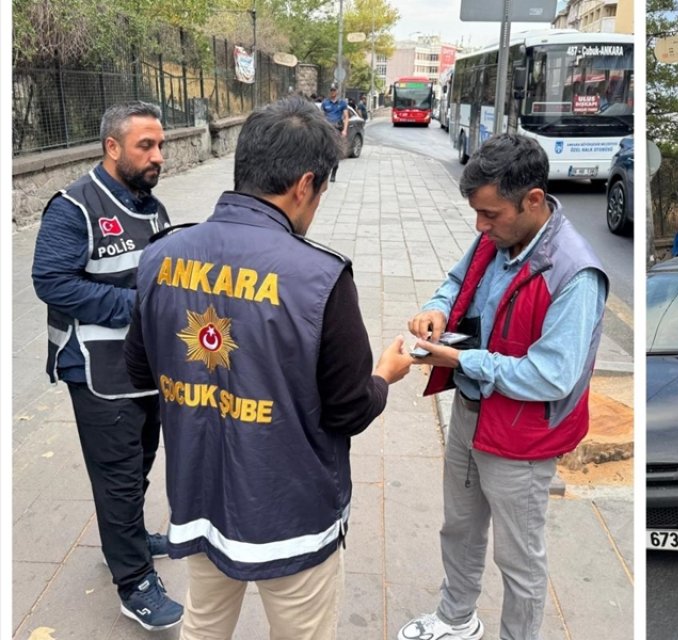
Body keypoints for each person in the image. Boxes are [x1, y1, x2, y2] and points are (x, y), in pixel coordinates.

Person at [123, 96, 416, 638]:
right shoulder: (320, 277)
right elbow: (349, 407)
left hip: (199, 498)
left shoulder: (161, 255)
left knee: (203, 624)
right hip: (292, 513)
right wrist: (385, 376)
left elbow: (141, 373)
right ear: (305, 185)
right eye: (322, 192)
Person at [398, 133, 608, 640]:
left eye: (490, 214)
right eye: (477, 213)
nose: (480, 225)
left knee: (520, 558)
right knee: (461, 527)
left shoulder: (574, 274)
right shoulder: (497, 237)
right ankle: (456, 618)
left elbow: (551, 375)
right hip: (472, 410)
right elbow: (457, 280)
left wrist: (465, 359)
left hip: (521, 438)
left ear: (533, 200)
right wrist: (437, 308)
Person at [31, 101, 183, 631]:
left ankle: (128, 539)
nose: (157, 155)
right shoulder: (73, 206)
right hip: (95, 372)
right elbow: (50, 281)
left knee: (139, 463)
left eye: (160, 144)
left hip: (141, 368)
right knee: (117, 476)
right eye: (146, 145)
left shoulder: (151, 206)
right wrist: (136, 310)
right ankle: (134, 580)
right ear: (112, 147)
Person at [320, 85, 349, 181]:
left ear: (337, 91)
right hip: (327, 130)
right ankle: (325, 173)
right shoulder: (325, 103)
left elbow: (346, 117)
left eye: (334, 90)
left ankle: (333, 174)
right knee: (325, 152)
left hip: (337, 130)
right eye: (331, 90)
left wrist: (344, 130)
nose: (332, 92)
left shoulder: (342, 103)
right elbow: (321, 116)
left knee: (336, 152)